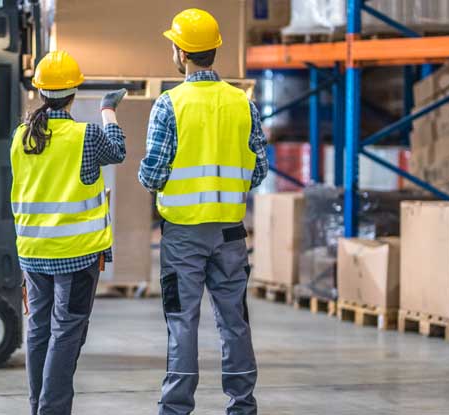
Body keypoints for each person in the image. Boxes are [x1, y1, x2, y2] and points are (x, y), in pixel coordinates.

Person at [139, 8, 268, 415]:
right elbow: (259, 170)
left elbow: (152, 174)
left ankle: (176, 409)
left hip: (182, 235)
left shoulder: (169, 104)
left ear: (180, 52)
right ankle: (243, 406)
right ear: (215, 50)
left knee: (182, 320)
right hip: (231, 232)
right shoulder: (241, 103)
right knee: (235, 321)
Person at [10, 50, 127, 415]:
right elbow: (119, 151)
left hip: (33, 253)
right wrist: (108, 110)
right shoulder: (85, 136)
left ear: (40, 91)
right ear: (74, 92)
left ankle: (38, 407)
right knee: (66, 332)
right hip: (76, 256)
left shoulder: (21, 137)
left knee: (39, 331)